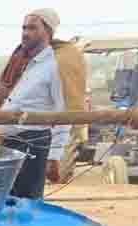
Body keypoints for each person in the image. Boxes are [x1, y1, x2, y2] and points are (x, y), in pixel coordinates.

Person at [0, 8, 69, 199]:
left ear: (48, 32)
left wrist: (54, 156)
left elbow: (64, 113)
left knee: (26, 206)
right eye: (24, 28)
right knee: (4, 202)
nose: (26, 33)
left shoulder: (56, 65)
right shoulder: (19, 63)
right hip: (8, 142)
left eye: (33, 28)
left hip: (34, 143)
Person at [50, 37, 89, 182]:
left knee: (64, 141)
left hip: (67, 112)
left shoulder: (70, 56)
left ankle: (56, 175)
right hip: (55, 111)